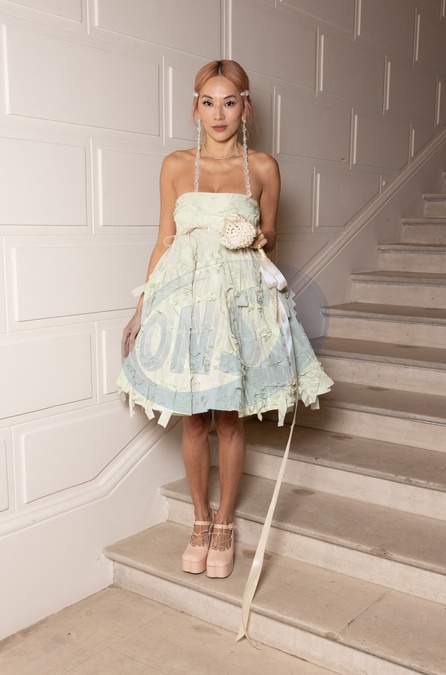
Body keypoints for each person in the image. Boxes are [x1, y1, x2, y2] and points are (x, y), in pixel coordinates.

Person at [117, 59, 333, 582]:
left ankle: (225, 523)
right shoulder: (174, 165)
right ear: (196, 108)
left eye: (229, 102)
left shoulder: (263, 167)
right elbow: (163, 240)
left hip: (237, 302)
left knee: (229, 418)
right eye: (208, 102)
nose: (219, 114)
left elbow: (272, 236)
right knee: (195, 419)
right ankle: (199, 520)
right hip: (186, 303)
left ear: (245, 108)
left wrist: (259, 236)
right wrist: (141, 308)